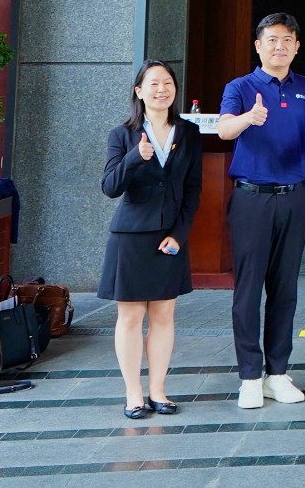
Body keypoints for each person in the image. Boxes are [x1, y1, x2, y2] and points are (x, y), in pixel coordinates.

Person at [218, 13, 305, 409]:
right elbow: (224, 129)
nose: (280, 46)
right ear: (258, 46)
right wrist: (248, 118)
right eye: (272, 39)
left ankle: (277, 373)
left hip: (295, 197)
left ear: (297, 47)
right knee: (248, 289)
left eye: (287, 39)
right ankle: (249, 375)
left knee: (285, 289)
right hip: (251, 198)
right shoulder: (240, 87)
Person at [98, 60, 203, 419]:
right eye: (154, 84)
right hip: (130, 236)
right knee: (130, 318)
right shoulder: (122, 135)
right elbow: (110, 187)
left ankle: (158, 390)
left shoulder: (188, 133)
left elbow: (193, 190)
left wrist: (179, 234)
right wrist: (134, 158)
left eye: (168, 83)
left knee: (163, 314)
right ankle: (134, 393)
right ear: (139, 91)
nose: (162, 90)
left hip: (169, 237)